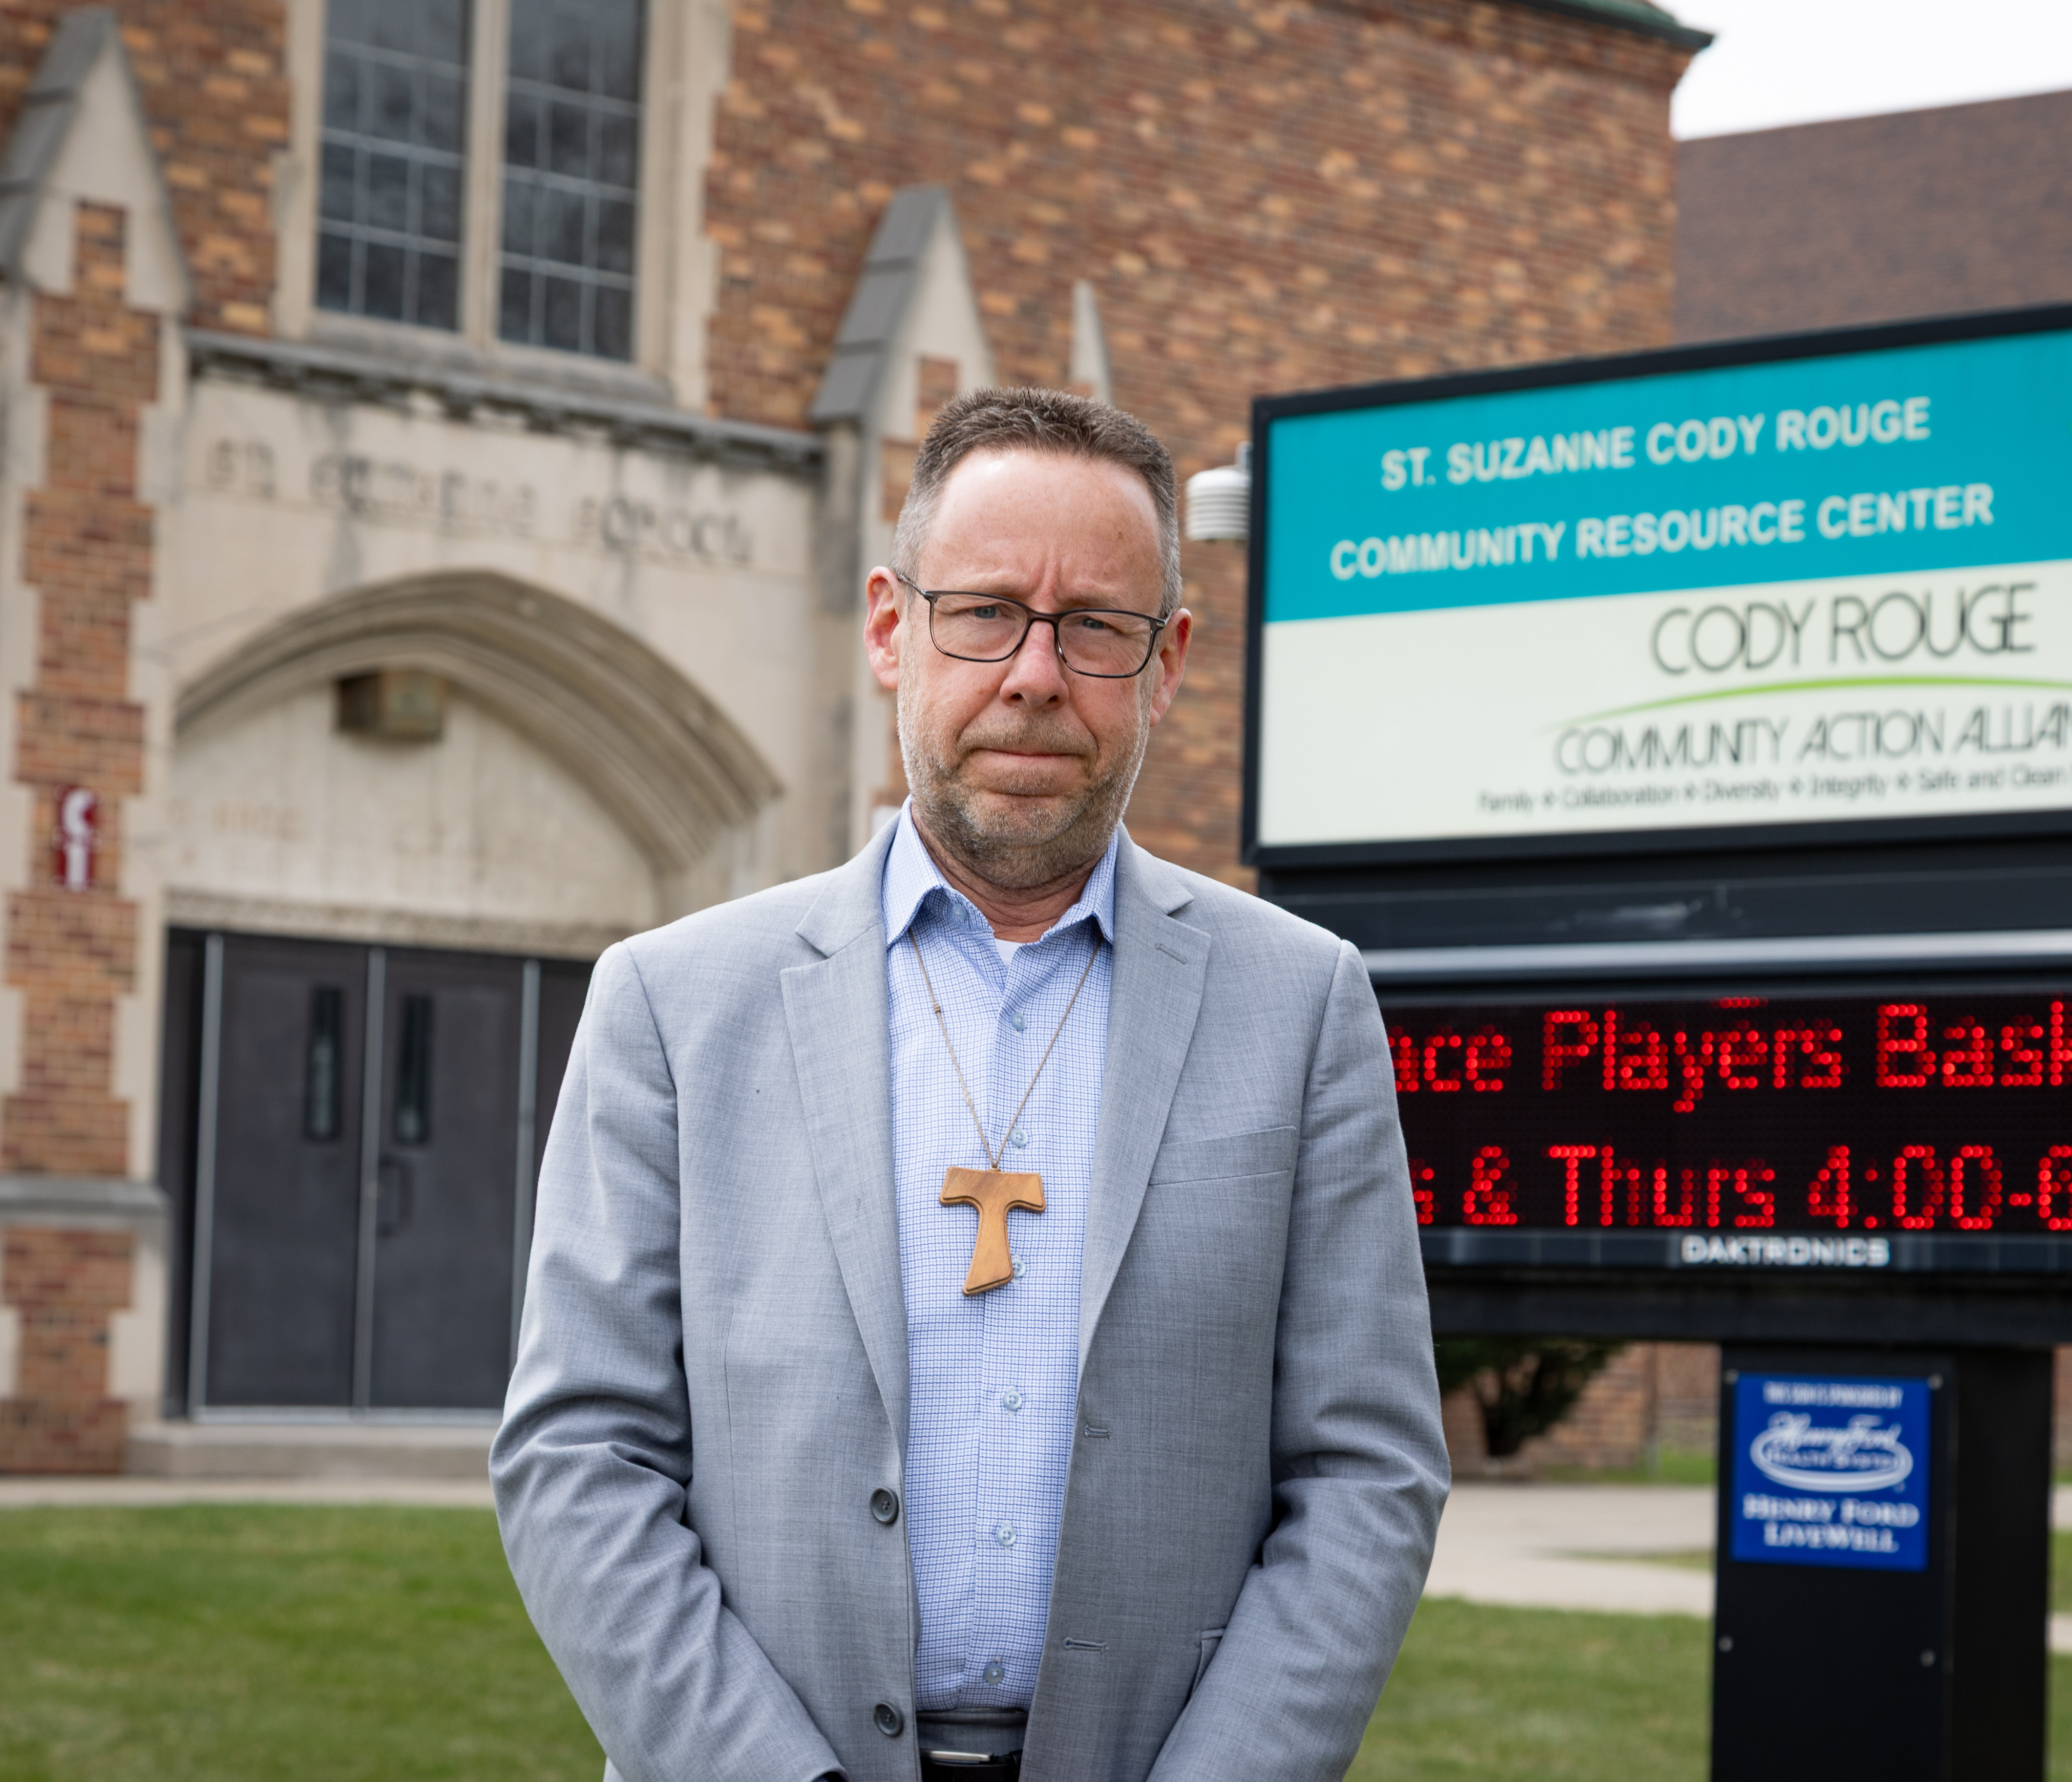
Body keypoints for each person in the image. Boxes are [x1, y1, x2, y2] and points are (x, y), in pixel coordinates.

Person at [493, 386, 1449, 1782]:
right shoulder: (673, 1006)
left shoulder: (1300, 1007)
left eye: (1096, 628)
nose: (1035, 675)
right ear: (893, 627)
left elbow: (1367, 1473)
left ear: (1168, 660)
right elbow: (579, 1456)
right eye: (985, 611)